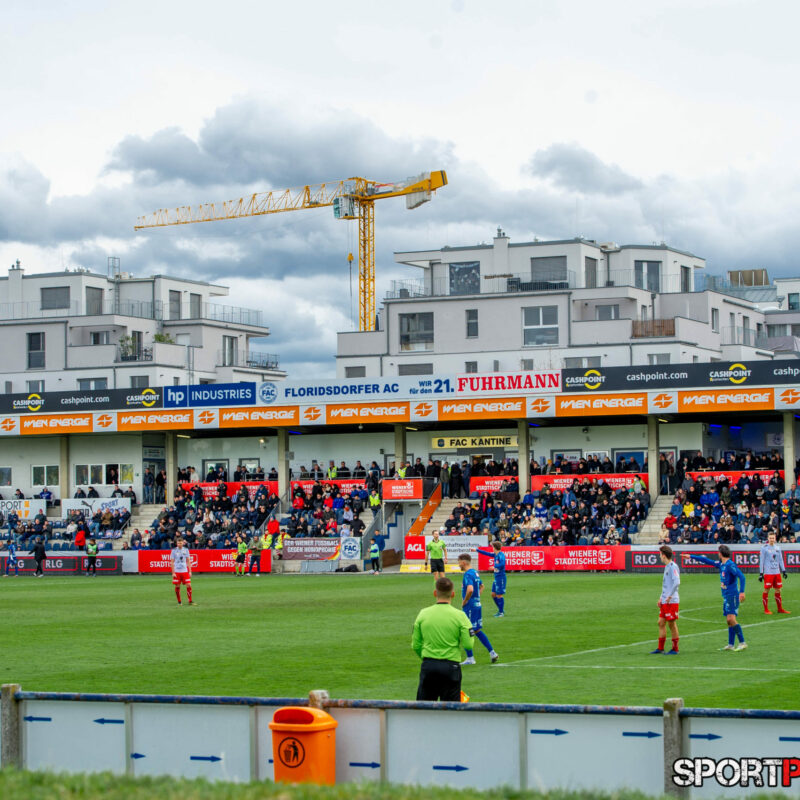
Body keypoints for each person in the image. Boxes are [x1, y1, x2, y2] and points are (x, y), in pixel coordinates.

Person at [411, 577, 474, 701]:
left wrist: (428, 658)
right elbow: (468, 645)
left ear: (435, 593)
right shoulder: (460, 616)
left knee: (425, 710)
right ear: (453, 594)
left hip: (429, 665)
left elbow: (416, 645)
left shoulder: (423, 614)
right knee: (451, 712)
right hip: (451, 667)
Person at [689, 544, 747, 651]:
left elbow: (742, 577)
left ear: (720, 554)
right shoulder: (721, 564)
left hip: (732, 595)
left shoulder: (730, 565)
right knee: (729, 621)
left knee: (731, 619)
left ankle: (742, 642)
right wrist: (691, 556)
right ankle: (730, 644)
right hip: (726, 595)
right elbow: (706, 560)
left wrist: (742, 592)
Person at [458, 553, 499, 664]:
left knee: (466, 630)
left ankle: (470, 658)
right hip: (477, 605)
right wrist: (477, 598)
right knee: (476, 630)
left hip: (470, 606)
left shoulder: (467, 574)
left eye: (459, 562)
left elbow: (470, 589)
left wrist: (465, 601)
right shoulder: (475, 573)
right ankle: (492, 653)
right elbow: (482, 586)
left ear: (463, 562)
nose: (458, 565)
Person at [651, 545, 680, 654]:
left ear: (664, 555)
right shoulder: (667, 567)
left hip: (671, 601)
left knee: (671, 624)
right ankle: (660, 648)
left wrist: (670, 596)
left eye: (660, 555)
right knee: (661, 622)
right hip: (665, 601)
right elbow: (667, 585)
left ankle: (675, 648)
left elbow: (677, 582)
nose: (660, 557)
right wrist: (661, 598)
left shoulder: (673, 566)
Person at [759, 531, 789, 614]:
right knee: (766, 590)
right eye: (770, 538)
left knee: (778, 590)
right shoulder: (764, 548)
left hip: (777, 572)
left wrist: (783, 570)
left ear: (775, 538)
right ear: (768, 539)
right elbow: (761, 561)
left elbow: (780, 560)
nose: (772, 539)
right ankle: (766, 610)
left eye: (773, 538)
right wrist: (761, 573)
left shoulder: (778, 548)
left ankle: (780, 609)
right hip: (768, 573)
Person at [476, 540, 507, 617]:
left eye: (493, 547)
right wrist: (477, 550)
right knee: (493, 594)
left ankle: (501, 612)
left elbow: (503, 564)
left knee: (499, 595)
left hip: (501, 578)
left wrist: (494, 567)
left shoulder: (501, 555)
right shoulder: (496, 555)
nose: (492, 548)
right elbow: (487, 553)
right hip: (496, 578)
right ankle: (501, 610)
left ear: (495, 547)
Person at [170, 536, 193, 605]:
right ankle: (179, 602)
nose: (179, 544)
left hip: (184, 571)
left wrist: (190, 571)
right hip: (177, 571)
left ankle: (190, 601)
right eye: (178, 543)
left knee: (188, 584)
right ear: (176, 543)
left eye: (180, 543)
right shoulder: (174, 550)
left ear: (183, 543)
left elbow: (188, 561)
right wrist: (173, 572)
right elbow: (172, 562)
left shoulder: (186, 550)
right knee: (177, 586)